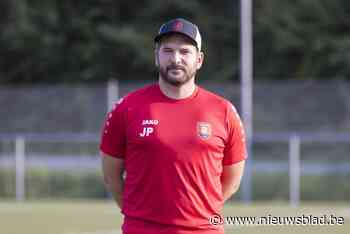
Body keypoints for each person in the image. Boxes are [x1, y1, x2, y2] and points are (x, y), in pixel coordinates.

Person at [100, 18, 247, 234]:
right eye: (167, 51)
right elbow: (111, 176)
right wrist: (140, 216)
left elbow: (232, 182)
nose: (175, 58)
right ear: (156, 57)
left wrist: (198, 216)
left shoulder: (224, 111)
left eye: (184, 51)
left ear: (199, 59)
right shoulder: (126, 108)